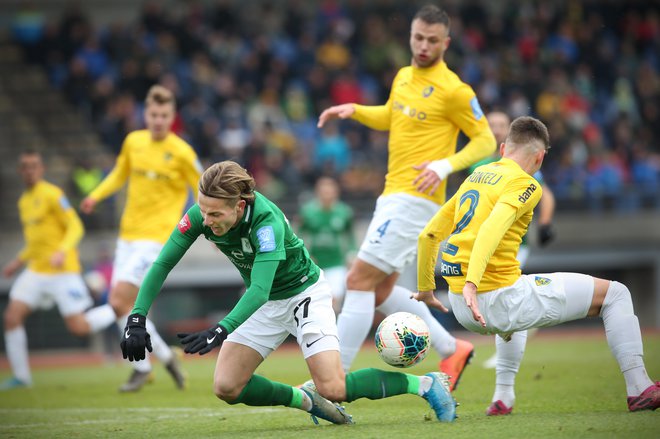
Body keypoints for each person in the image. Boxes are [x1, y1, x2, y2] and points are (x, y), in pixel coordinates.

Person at [120, 161, 458, 425]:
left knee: (334, 387)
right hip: (265, 303)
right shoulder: (201, 214)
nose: (205, 220)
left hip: (303, 296)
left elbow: (260, 288)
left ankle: (426, 385)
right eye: (202, 210)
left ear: (239, 206)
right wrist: (137, 317)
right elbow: (162, 264)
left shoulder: (265, 223)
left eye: (215, 213)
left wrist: (221, 330)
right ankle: (307, 401)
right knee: (226, 387)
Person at [415, 116, 659, 414]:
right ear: (540, 156)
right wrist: (473, 282)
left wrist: (427, 288)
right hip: (494, 298)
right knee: (616, 294)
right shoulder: (526, 183)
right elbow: (492, 229)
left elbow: (428, 234)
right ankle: (639, 387)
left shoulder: (476, 176)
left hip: (462, 305)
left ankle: (503, 397)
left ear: (503, 148)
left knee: (518, 307)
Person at [316, 4, 496, 390]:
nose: (424, 45)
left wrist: (446, 166)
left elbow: (486, 139)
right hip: (394, 192)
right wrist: (356, 110)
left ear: (446, 43)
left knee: (358, 279)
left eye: (433, 40)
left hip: (415, 197)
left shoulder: (455, 90)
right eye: (418, 37)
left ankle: (334, 381)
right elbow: (392, 116)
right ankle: (452, 348)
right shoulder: (402, 76)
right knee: (379, 288)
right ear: (411, 36)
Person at [80, 85, 202, 392]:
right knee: (126, 306)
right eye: (153, 114)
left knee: (119, 299)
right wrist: (95, 196)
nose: (158, 120)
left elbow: (203, 188)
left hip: (158, 238)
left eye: (164, 115)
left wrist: (213, 225)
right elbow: (119, 174)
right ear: (145, 114)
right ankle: (158, 361)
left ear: (172, 117)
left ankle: (138, 362)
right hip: (128, 236)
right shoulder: (133, 142)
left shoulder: (182, 152)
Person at [1, 151, 117, 390]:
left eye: (33, 166)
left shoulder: (53, 195)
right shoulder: (24, 201)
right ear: (20, 171)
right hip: (36, 271)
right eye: (25, 166)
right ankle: (22, 377)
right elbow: (34, 243)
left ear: (41, 168)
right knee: (12, 317)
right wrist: (18, 262)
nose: (29, 170)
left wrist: (62, 250)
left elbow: (75, 226)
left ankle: (118, 309)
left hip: (63, 271)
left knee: (79, 327)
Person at [477, 111, 556, 369]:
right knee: (501, 298)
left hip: (512, 244)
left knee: (504, 296)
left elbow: (545, 194)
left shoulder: (522, 162)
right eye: (492, 125)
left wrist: (544, 224)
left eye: (502, 124)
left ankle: (506, 355)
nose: (497, 128)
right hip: (483, 242)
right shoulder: (476, 163)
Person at [298, 176, 355, 313]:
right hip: (315, 264)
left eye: (329, 191)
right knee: (314, 300)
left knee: (333, 299)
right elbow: (298, 235)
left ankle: (332, 331)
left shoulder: (344, 211)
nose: (327, 194)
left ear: (336, 192)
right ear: (318, 192)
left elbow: (350, 235)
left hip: (336, 263)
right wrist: (306, 254)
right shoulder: (308, 211)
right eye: (324, 191)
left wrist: (352, 253)